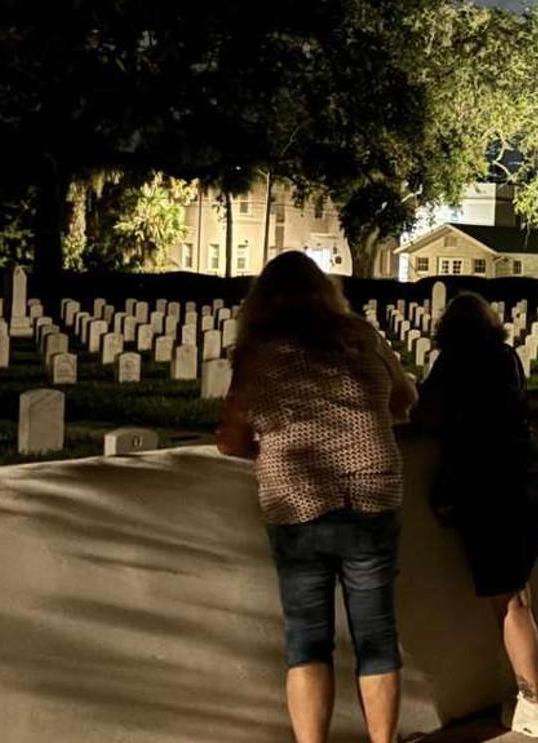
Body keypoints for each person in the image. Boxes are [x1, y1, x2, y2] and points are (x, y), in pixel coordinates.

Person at [216, 252, 416, 743]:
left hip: (297, 504)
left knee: (307, 640)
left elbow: (231, 439)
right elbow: (403, 400)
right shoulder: (359, 336)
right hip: (372, 494)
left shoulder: (258, 353)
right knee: (376, 636)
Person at [417, 293, 538, 737]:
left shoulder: (453, 363)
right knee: (520, 591)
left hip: (489, 487)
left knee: (509, 599)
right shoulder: (506, 358)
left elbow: (428, 417)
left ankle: (533, 704)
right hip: (532, 479)